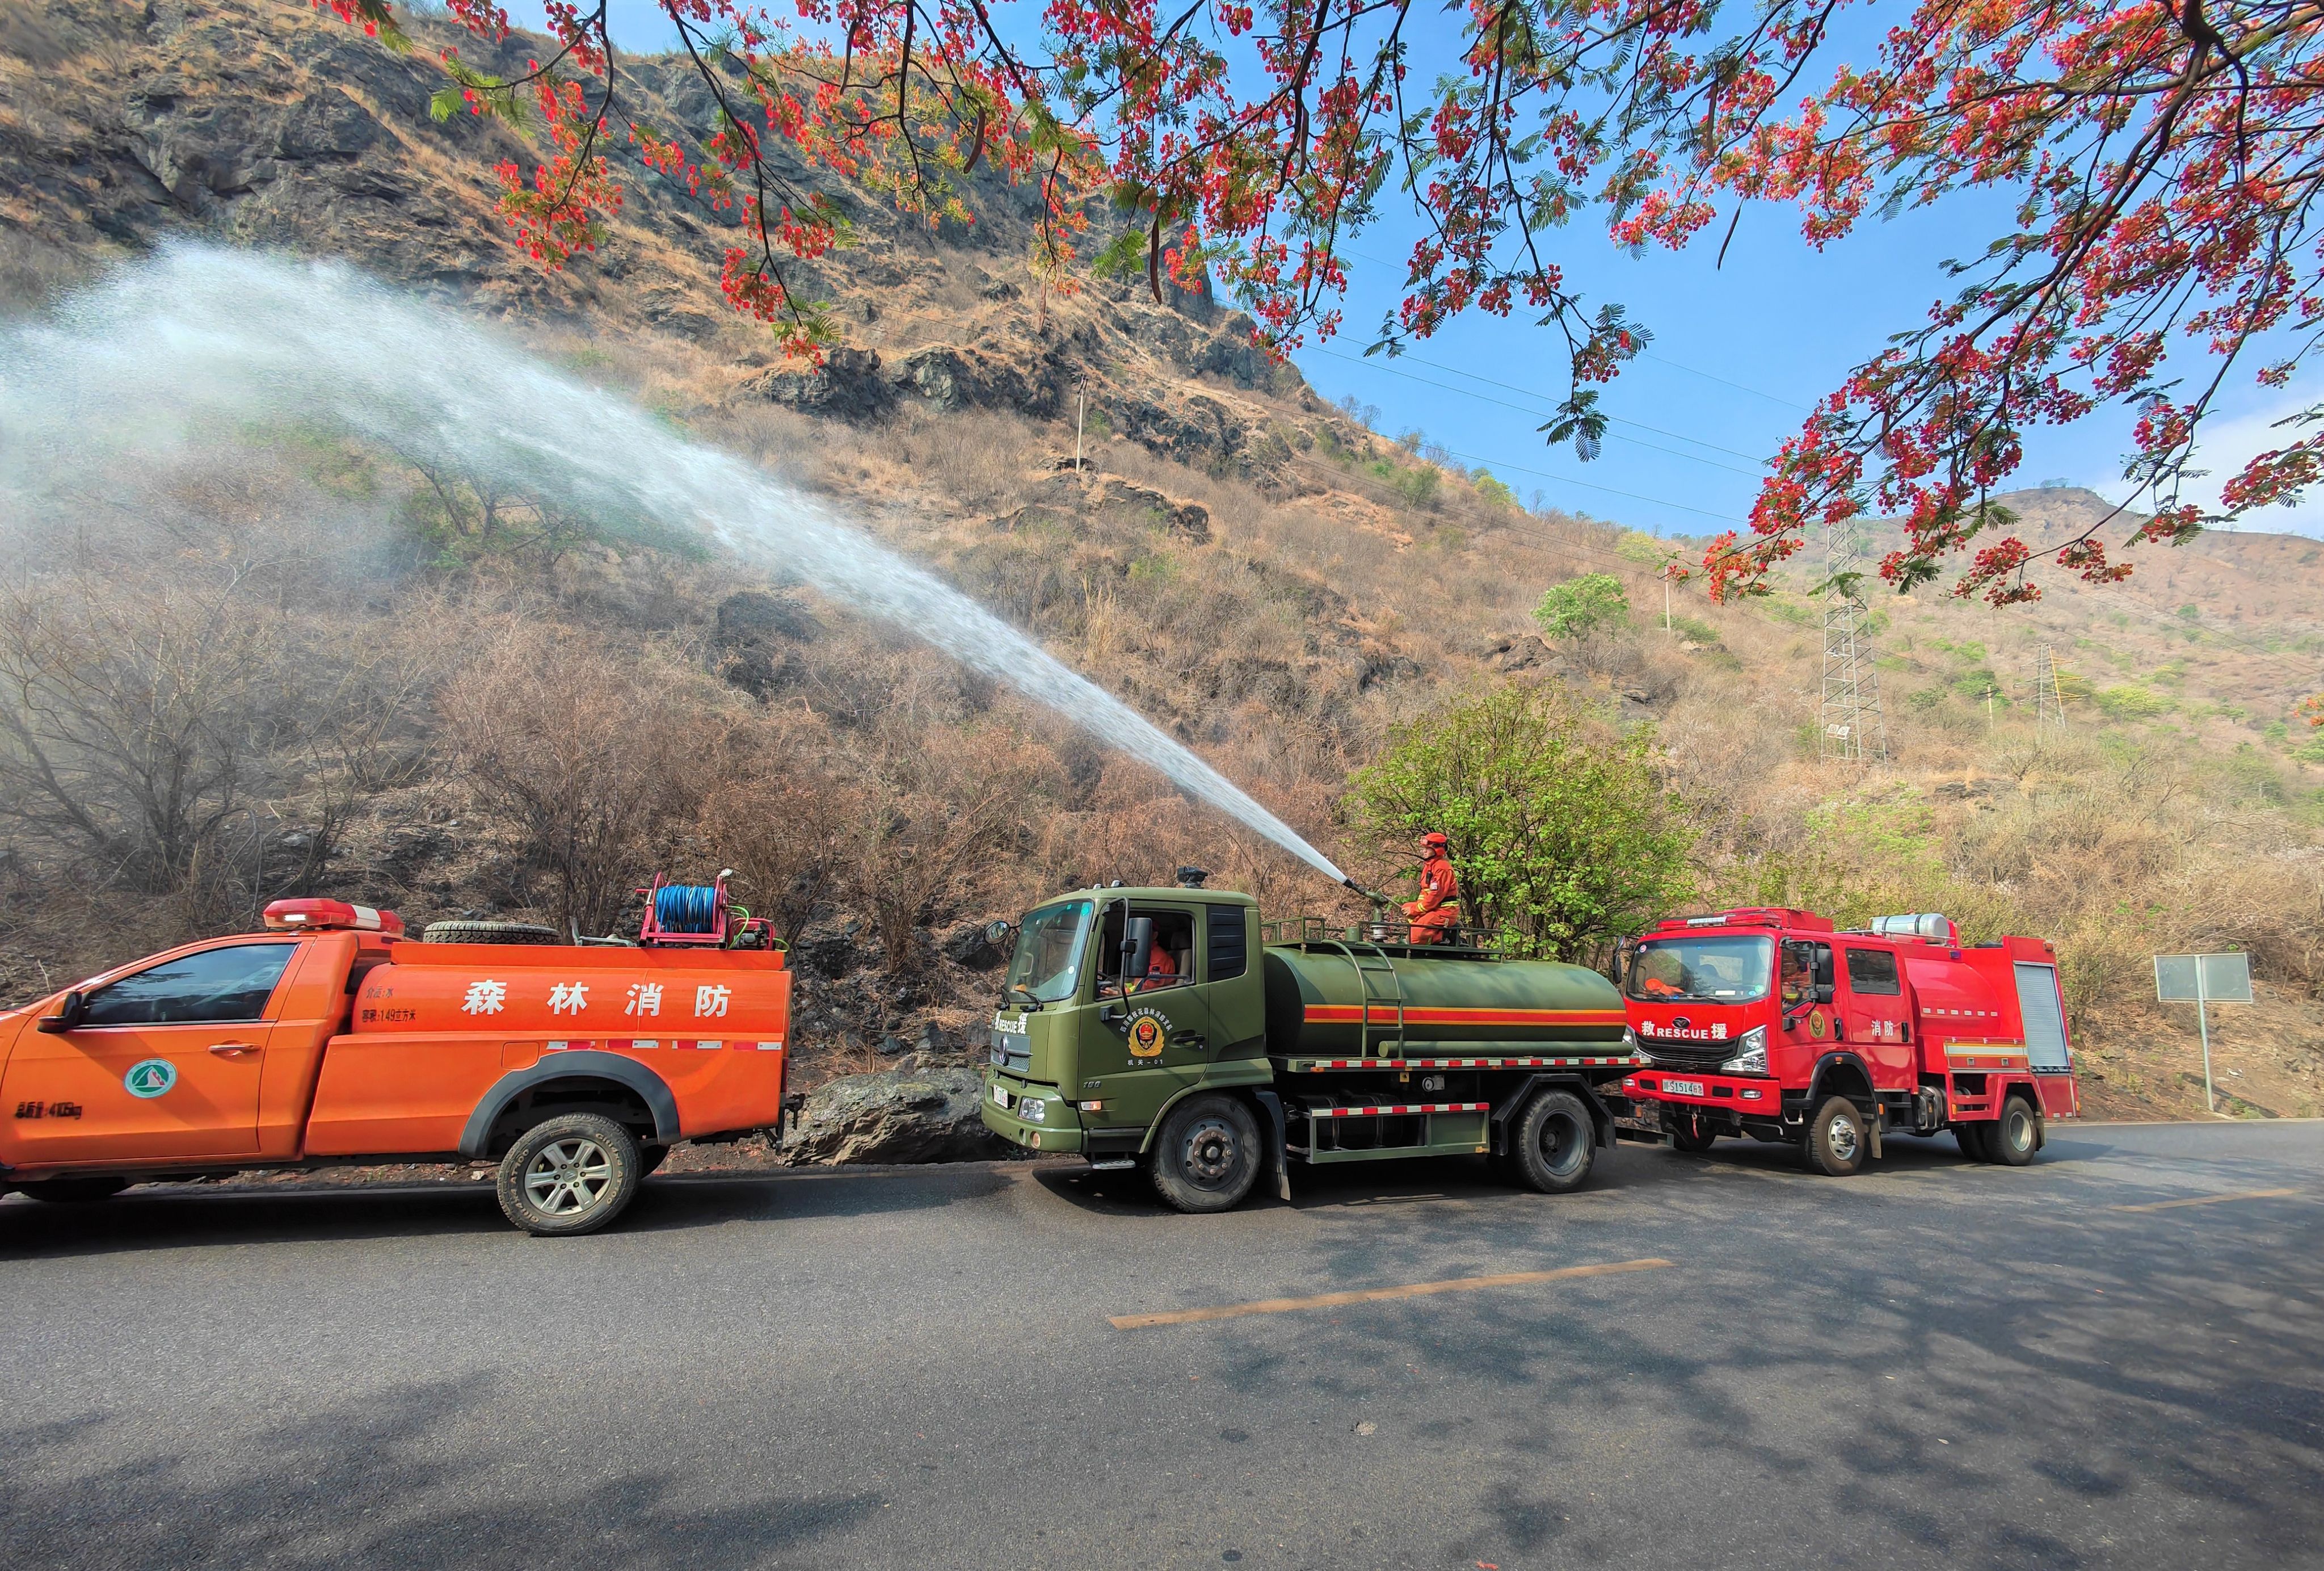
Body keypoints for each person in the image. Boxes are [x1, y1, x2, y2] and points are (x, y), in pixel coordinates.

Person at [1403, 831, 1460, 945]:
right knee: (1406, 908)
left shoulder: (1442, 868)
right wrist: (1415, 911)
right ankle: (1431, 932)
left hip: (1444, 912)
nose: (1424, 851)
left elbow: (1435, 896)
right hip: (1433, 908)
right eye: (1424, 848)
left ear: (1437, 850)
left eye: (1427, 849)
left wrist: (1416, 911)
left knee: (1414, 937)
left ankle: (1441, 937)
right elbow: (1426, 893)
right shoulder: (1430, 866)